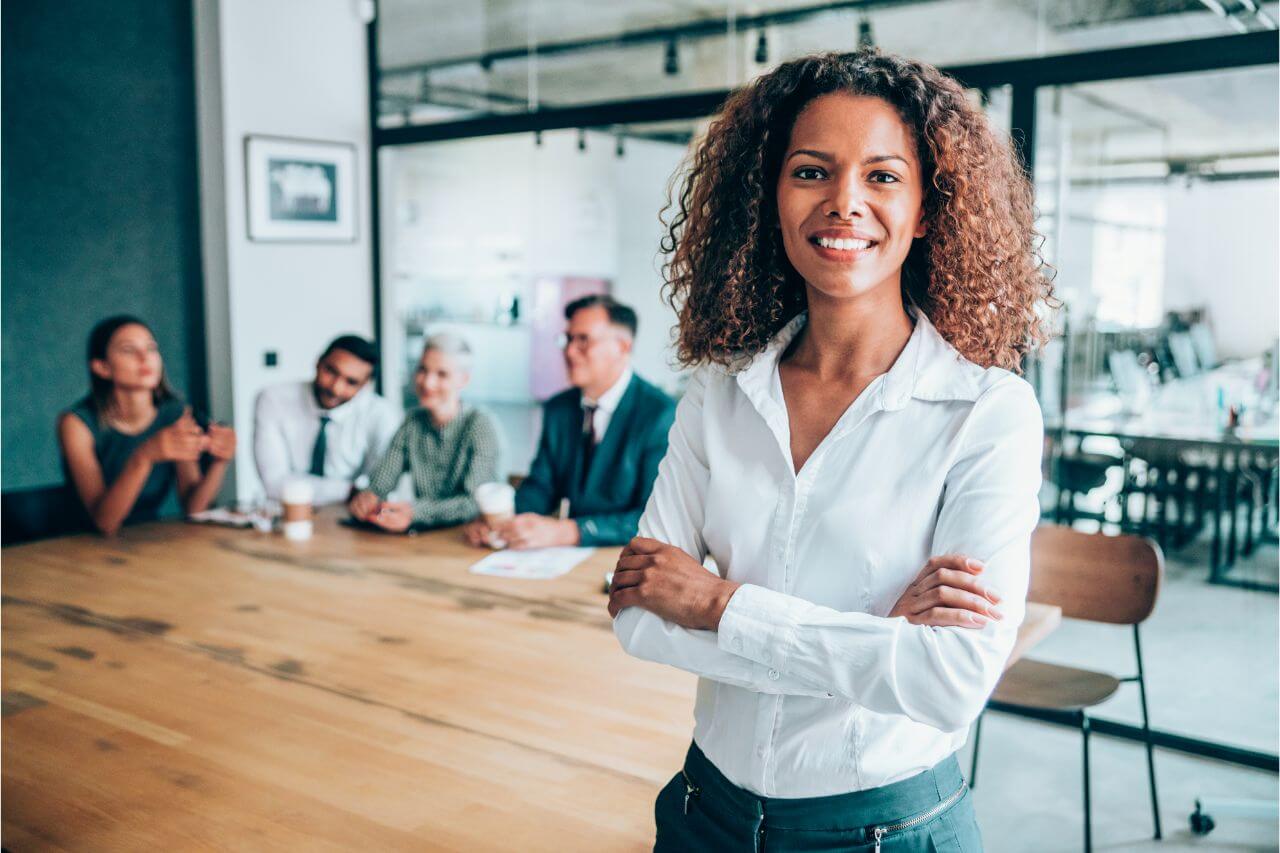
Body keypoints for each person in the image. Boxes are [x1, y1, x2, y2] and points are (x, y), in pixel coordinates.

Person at [608, 50, 1054, 851]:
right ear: (770, 198)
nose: (844, 202)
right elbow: (640, 616)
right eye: (811, 171)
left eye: (883, 177)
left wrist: (716, 603)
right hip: (703, 815)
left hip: (886, 828)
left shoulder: (988, 414)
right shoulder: (718, 393)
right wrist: (875, 634)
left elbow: (949, 682)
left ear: (926, 209)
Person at [465, 294, 676, 549]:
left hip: (626, 559)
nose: (569, 351)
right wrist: (501, 523)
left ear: (622, 347)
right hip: (564, 561)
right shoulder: (558, 408)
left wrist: (568, 532)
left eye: (583, 340)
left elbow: (652, 518)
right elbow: (541, 486)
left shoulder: (660, 414)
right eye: (568, 339)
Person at [58, 315, 236, 536]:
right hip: (77, 546)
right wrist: (144, 456)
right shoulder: (76, 423)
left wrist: (221, 461)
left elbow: (194, 509)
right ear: (102, 367)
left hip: (147, 539)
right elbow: (104, 523)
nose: (145, 358)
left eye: (151, 349)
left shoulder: (176, 414)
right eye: (128, 350)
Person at [349, 334, 501, 532]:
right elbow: (381, 482)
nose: (427, 382)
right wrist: (369, 497)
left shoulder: (480, 425)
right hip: (424, 539)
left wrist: (414, 512)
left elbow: (473, 503)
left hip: (469, 537)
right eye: (423, 370)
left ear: (463, 379)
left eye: (442, 374)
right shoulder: (412, 422)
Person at [253, 334, 399, 506]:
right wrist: (350, 491)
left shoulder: (381, 413)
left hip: (351, 517)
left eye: (351, 382)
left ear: (365, 385)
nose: (336, 388)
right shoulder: (273, 399)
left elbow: (380, 486)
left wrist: (365, 494)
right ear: (318, 362)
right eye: (331, 371)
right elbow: (274, 483)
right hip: (287, 512)